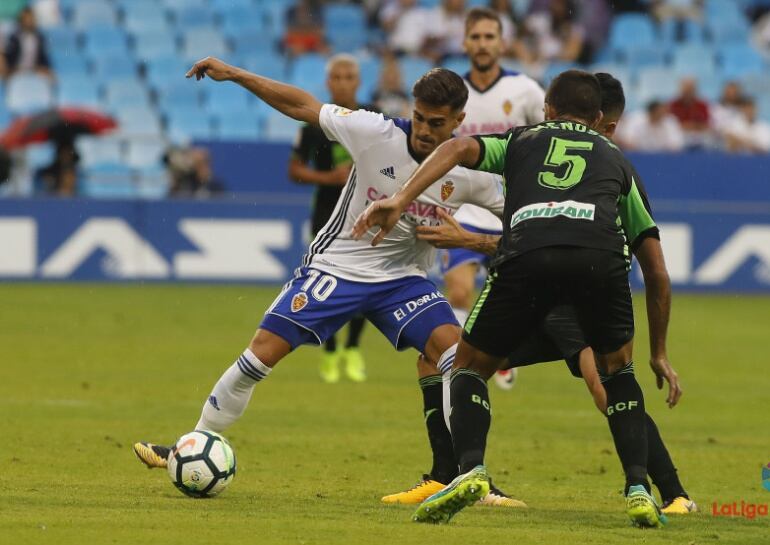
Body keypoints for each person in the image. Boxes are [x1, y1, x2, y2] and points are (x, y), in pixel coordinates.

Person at [133, 57, 520, 508]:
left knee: (458, 357)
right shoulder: (376, 132)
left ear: (459, 122)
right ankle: (194, 441)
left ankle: (469, 479)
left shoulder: (470, 174)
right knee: (261, 353)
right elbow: (303, 106)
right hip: (338, 267)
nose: (424, 130)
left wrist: (471, 239)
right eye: (418, 117)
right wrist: (239, 74)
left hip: (404, 280)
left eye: (437, 123)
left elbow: (524, 223)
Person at [353, 70, 683, 527]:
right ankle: (638, 490)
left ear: (547, 108)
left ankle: (470, 470)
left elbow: (457, 147)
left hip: (528, 260)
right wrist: (660, 353)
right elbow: (658, 272)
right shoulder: (618, 161)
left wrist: (402, 197)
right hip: (598, 266)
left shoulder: (523, 140)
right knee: (616, 373)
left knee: (466, 365)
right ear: (601, 118)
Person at [447, 7, 544, 392]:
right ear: (464, 42)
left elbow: (550, 139)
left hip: (512, 207)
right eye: (476, 37)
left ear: (502, 43)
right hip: (463, 204)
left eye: (490, 37)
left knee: (519, 296)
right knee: (457, 290)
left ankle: (501, 354)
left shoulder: (525, 90)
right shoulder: (451, 90)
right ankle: (459, 367)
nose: (483, 44)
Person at [288, 54, 369, 383]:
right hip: (326, 212)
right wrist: (330, 179)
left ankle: (352, 347)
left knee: (366, 280)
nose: (343, 82)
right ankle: (331, 348)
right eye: (337, 77)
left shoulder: (372, 118)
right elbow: (293, 170)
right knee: (323, 282)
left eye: (349, 76)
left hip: (365, 211)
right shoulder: (313, 123)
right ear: (328, 82)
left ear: (358, 81)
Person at [616, 100, 685, 152]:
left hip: (663, 157)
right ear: (652, 112)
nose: (663, 115)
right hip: (638, 155)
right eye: (659, 112)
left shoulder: (670, 122)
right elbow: (627, 140)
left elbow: (677, 144)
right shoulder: (636, 119)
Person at [4, 6, 52, 79]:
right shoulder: (14, 38)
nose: (28, 21)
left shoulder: (39, 38)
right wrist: (12, 69)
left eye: (30, 19)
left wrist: (43, 68)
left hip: (35, 70)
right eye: (26, 19)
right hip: (16, 70)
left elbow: (44, 58)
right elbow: (9, 57)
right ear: (21, 20)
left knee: (50, 76)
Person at [669, 77, 711, 149]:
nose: (688, 92)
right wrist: (691, 125)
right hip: (679, 136)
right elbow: (669, 125)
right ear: (681, 90)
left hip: (699, 136)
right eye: (686, 89)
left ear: (695, 90)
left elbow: (707, 125)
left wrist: (691, 126)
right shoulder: (672, 105)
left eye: (690, 89)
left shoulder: (702, 105)